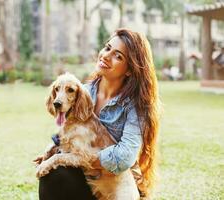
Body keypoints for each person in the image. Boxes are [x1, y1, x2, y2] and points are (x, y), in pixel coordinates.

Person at [37, 28, 160, 200]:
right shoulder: (82, 92)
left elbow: (125, 157)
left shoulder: (136, 106)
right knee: (52, 174)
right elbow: (67, 132)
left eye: (118, 56)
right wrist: (54, 149)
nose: (106, 56)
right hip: (86, 179)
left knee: (57, 165)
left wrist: (78, 157)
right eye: (108, 47)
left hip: (114, 186)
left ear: (130, 70)